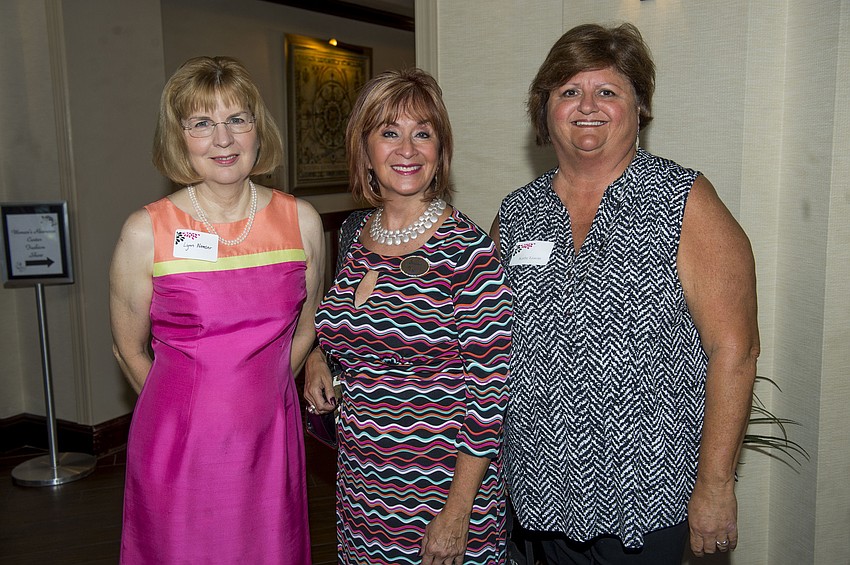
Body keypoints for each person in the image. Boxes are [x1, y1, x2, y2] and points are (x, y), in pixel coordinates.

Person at [492, 23, 759, 564]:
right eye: (568, 92)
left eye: (607, 91)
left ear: (639, 109)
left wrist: (714, 487)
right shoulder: (517, 214)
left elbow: (736, 351)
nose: (586, 105)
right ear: (545, 111)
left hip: (642, 505)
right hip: (531, 500)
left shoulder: (682, 200)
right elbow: (480, 342)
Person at [109, 56, 324, 564]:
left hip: (270, 442)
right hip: (178, 450)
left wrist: (263, 394)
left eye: (236, 120)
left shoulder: (303, 222)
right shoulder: (145, 232)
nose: (222, 139)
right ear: (179, 137)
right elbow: (128, 348)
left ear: (257, 129)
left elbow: (310, 323)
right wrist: (190, 416)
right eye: (202, 124)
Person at [304, 68, 513, 564]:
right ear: (365, 148)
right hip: (363, 491)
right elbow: (351, 328)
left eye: (423, 133)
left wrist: (458, 511)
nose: (408, 149)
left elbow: (491, 394)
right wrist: (319, 355)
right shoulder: (357, 234)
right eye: (389, 132)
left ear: (440, 151)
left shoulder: (467, 250)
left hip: (441, 495)